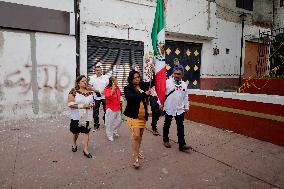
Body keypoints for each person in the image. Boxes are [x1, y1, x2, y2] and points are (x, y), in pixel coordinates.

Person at [124, 70, 151, 169]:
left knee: (140, 136)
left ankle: (138, 151)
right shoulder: (128, 88)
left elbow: (153, 82)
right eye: (135, 77)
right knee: (136, 135)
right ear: (131, 79)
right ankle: (135, 158)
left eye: (138, 77)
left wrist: (155, 71)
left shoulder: (142, 86)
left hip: (142, 116)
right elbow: (132, 98)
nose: (137, 79)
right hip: (133, 116)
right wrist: (145, 94)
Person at [163, 65, 191, 152]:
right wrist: (160, 104)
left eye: (178, 74)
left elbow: (185, 96)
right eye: (175, 73)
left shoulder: (184, 84)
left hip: (179, 109)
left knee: (180, 127)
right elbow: (161, 93)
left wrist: (186, 107)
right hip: (169, 108)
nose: (176, 75)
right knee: (167, 124)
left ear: (182, 74)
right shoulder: (167, 82)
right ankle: (166, 140)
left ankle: (182, 145)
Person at [68, 75, 94, 158]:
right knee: (76, 132)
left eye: (86, 81)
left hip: (87, 116)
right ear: (78, 83)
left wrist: (91, 104)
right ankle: (74, 144)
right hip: (76, 117)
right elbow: (70, 104)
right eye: (83, 81)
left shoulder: (90, 91)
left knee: (86, 132)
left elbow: (92, 101)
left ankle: (85, 150)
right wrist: (83, 106)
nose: (85, 82)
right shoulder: (73, 91)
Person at [89, 63, 111, 131]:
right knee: (95, 112)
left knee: (107, 111)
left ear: (101, 71)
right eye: (96, 70)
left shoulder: (106, 77)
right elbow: (89, 86)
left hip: (104, 97)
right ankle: (96, 125)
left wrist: (105, 90)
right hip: (96, 97)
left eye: (99, 70)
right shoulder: (92, 78)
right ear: (95, 71)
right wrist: (96, 91)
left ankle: (106, 121)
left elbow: (109, 86)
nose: (98, 71)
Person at [104, 76, 122, 142]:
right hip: (110, 108)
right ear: (112, 82)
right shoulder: (107, 88)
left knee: (119, 120)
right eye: (116, 80)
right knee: (109, 122)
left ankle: (114, 130)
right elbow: (108, 97)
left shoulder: (117, 88)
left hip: (118, 107)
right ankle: (109, 135)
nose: (117, 82)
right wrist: (112, 90)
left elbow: (120, 94)